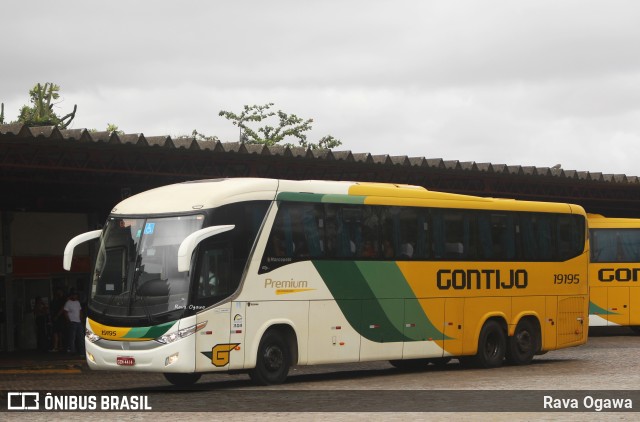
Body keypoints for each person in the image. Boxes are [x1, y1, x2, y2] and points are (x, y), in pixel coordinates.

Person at [64, 289, 84, 355]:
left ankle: (82, 351)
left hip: (78, 322)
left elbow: (80, 311)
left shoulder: (77, 302)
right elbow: (65, 312)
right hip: (72, 322)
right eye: (74, 295)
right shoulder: (68, 303)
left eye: (76, 295)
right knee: (72, 338)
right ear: (72, 295)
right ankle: (73, 351)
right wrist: (69, 321)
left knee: (81, 337)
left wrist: (81, 319)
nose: (75, 296)